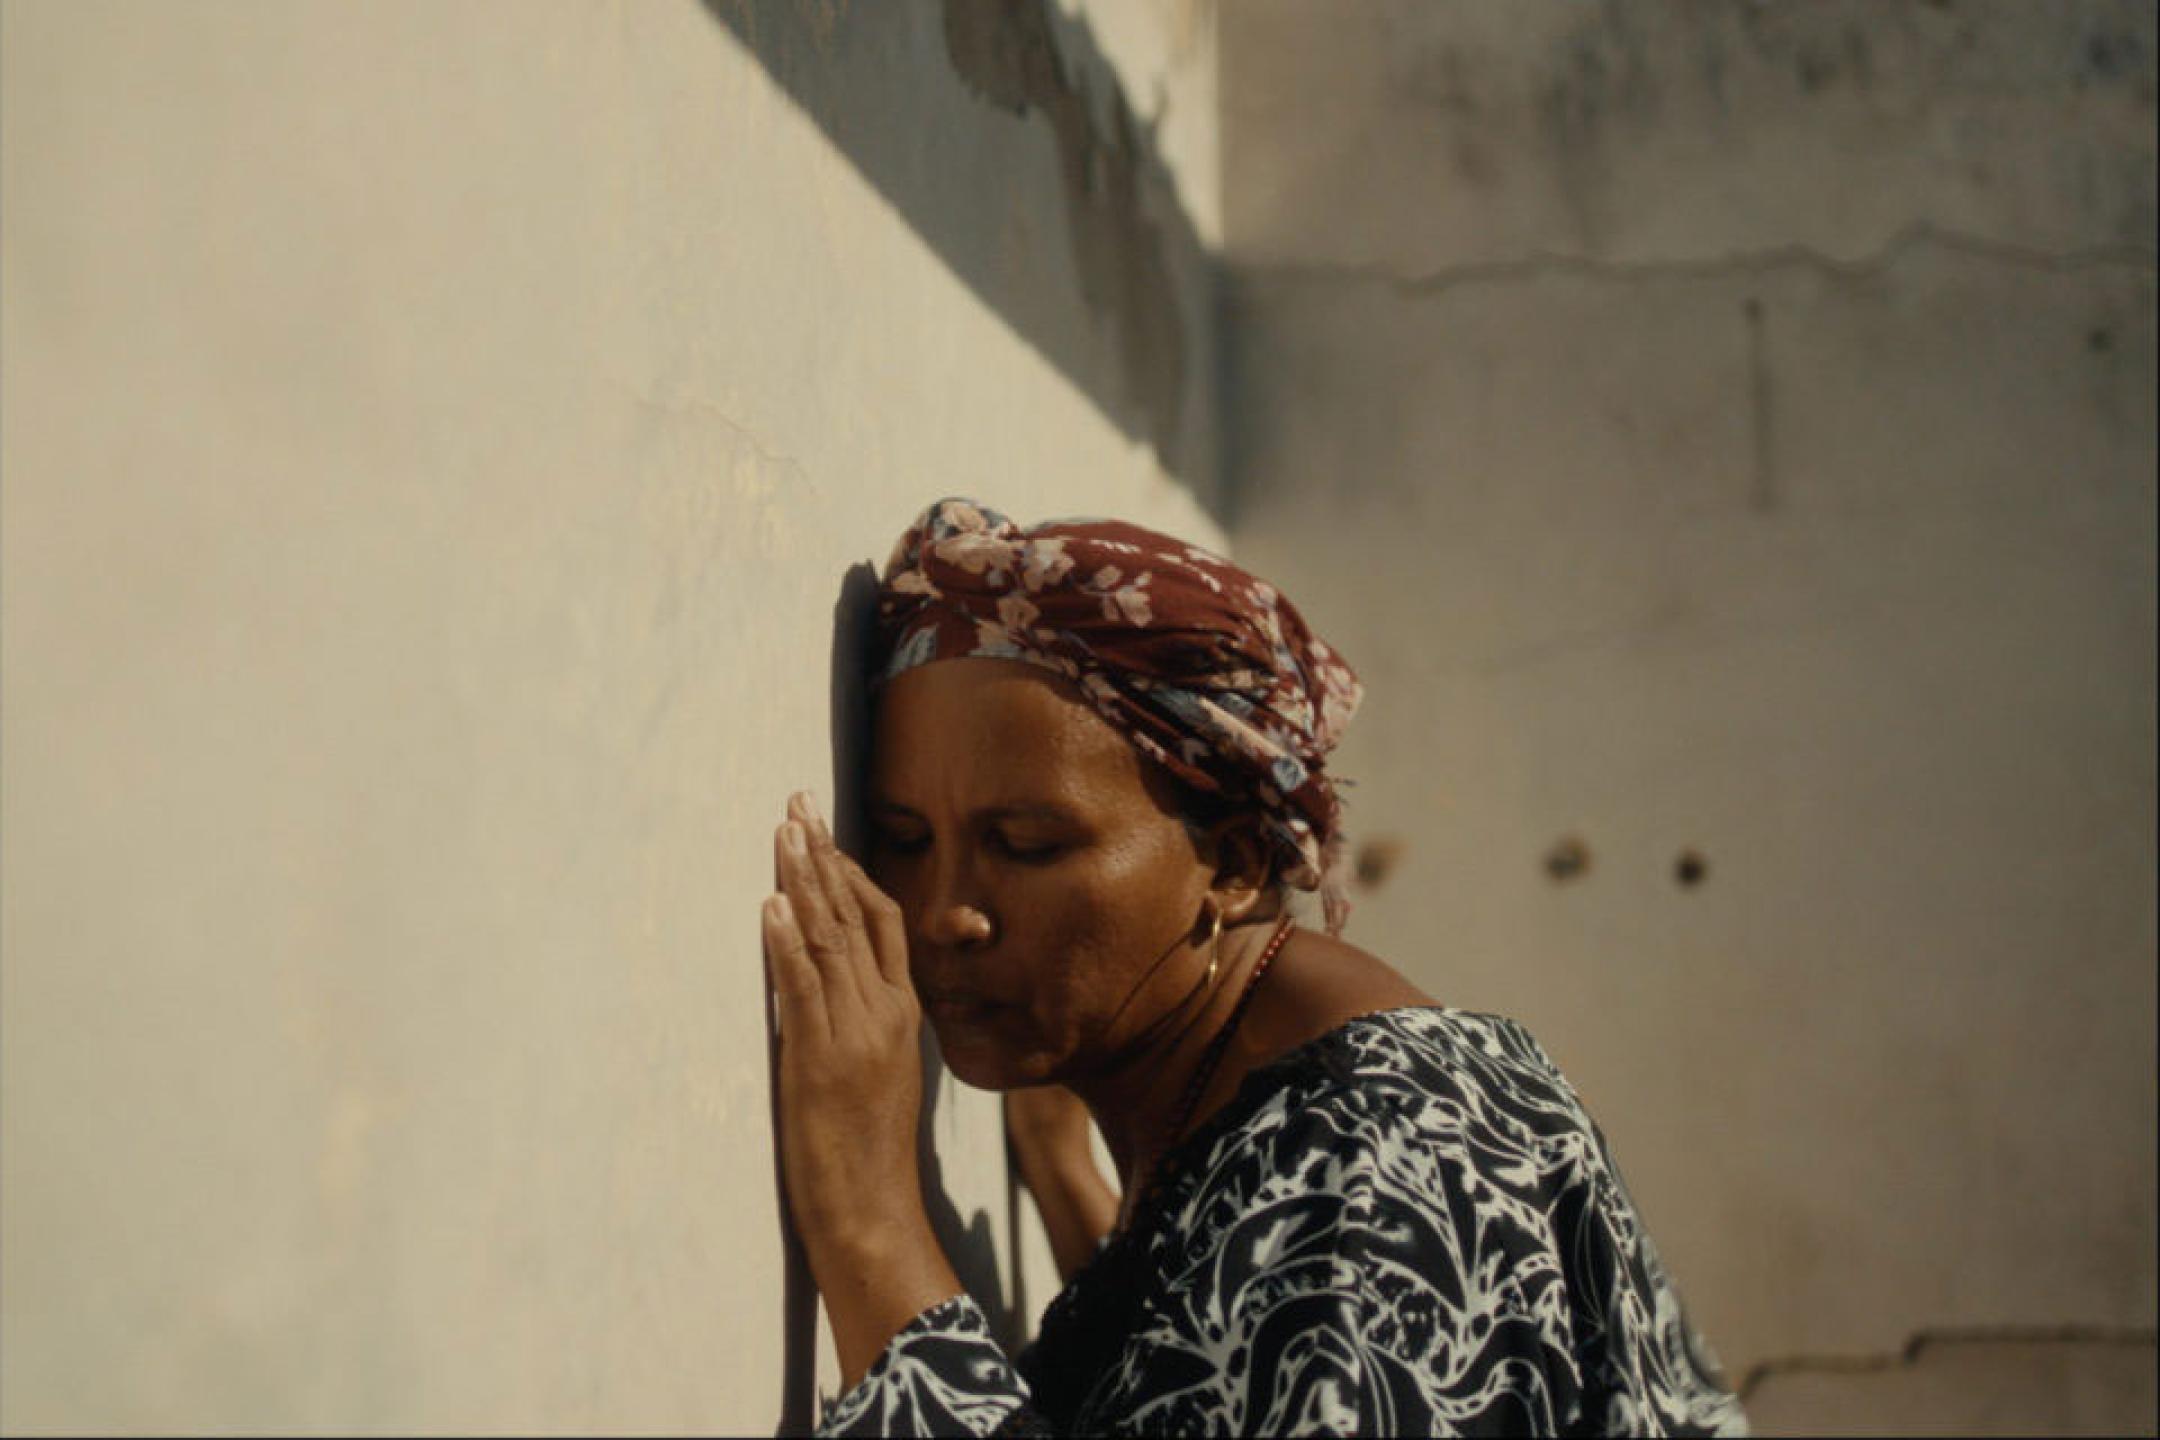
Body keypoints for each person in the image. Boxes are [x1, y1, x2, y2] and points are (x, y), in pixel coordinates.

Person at [762, 498, 1748, 1436]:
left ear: (1231, 863)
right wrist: (1074, 1192)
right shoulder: (1256, 1100)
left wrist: (874, 1229)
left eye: (1025, 845)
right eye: (900, 837)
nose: (946, 914)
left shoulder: (1378, 1166)